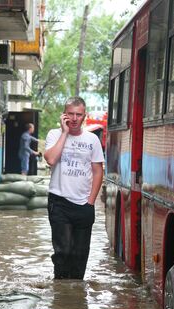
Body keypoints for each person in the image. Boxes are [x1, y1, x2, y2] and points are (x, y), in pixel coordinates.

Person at [44, 97, 104, 280]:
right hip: (59, 202)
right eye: (71, 114)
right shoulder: (54, 135)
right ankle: (61, 297)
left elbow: (97, 172)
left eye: (79, 114)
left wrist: (90, 202)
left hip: (84, 204)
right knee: (63, 252)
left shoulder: (92, 140)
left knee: (79, 256)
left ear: (84, 116)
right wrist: (65, 133)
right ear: (64, 115)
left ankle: (75, 301)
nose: (75, 118)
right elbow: (51, 159)